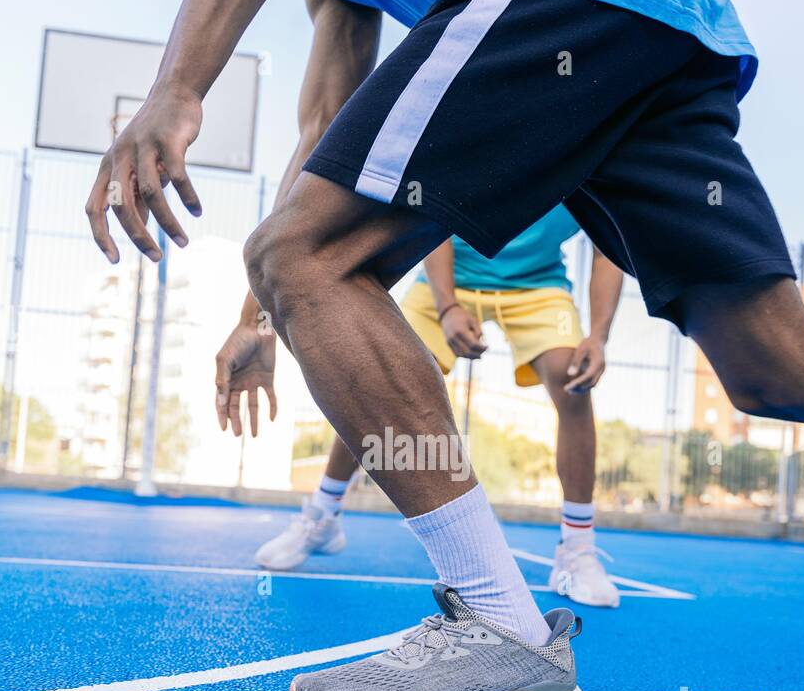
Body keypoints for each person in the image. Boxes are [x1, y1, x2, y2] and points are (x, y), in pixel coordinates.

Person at [86, 0, 804, 691]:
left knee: (308, 259)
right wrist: (260, 313)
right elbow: (325, 131)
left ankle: (501, 629)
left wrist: (177, 90)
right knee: (780, 366)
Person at [258, 204, 624, 608]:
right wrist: (447, 306)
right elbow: (440, 211)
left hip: (537, 286)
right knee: (379, 380)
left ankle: (577, 549)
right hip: (449, 272)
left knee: (572, 380)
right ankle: (323, 515)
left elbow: (607, 249)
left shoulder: (589, 169)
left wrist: (598, 337)